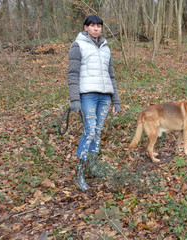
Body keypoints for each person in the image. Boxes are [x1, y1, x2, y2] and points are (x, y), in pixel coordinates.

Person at [67, 15, 120, 191]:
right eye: (92, 25)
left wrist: (116, 99)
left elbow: (111, 75)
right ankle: (79, 174)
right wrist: (75, 100)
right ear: (86, 27)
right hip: (87, 95)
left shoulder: (106, 49)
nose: (96, 28)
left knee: (97, 133)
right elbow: (73, 75)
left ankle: (92, 166)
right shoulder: (78, 45)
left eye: (99, 26)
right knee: (89, 132)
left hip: (105, 96)